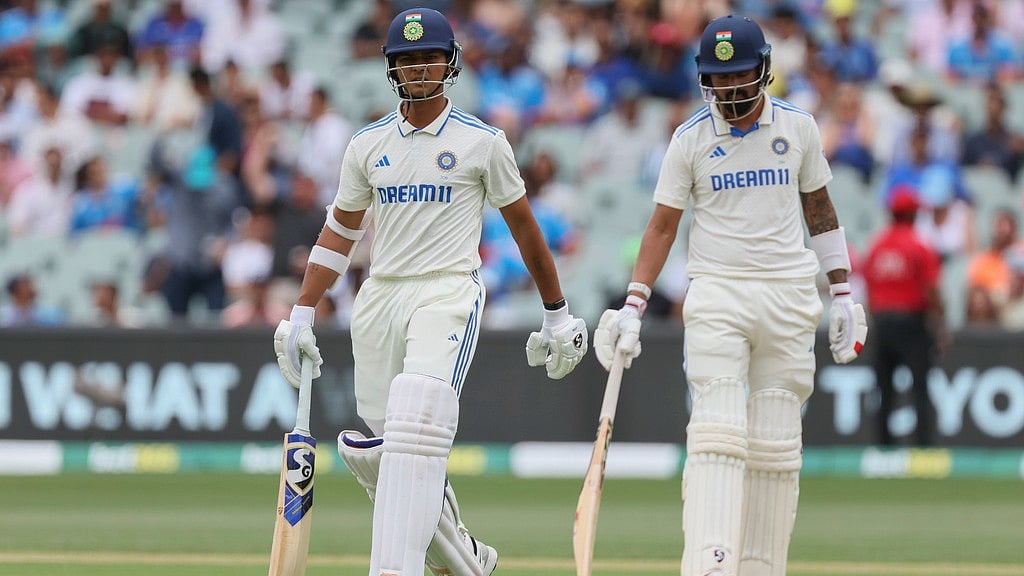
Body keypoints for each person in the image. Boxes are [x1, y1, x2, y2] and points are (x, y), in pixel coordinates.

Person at [272, 8, 588, 576]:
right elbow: (340, 233)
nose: (420, 69)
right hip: (381, 297)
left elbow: (523, 228)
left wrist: (557, 311)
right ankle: (467, 561)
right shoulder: (367, 144)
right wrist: (300, 311)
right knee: (392, 457)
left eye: (429, 57)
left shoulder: (482, 142)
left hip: (446, 292)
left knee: (416, 426)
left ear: (450, 63)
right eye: (408, 60)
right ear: (392, 68)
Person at [592, 15, 867, 576]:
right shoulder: (690, 137)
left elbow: (820, 210)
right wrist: (634, 303)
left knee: (774, 439)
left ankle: (761, 567)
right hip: (717, 291)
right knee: (717, 429)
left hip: (789, 295)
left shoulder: (800, 128)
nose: (730, 90)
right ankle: (710, 564)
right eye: (719, 79)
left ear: (763, 71)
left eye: (741, 77)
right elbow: (663, 224)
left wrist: (842, 292)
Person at [862, 188, 945, 447]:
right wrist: (940, 323)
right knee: (920, 386)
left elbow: (870, 287)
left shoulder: (877, 245)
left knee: (884, 388)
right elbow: (931, 288)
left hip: (883, 321)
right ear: (913, 215)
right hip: (912, 321)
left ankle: (884, 447)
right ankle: (924, 446)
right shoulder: (919, 244)